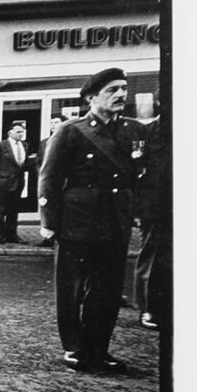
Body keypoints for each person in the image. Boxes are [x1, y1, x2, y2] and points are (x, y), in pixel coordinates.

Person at [39, 66, 140, 372]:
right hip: (78, 222)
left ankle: (99, 348)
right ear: (91, 97)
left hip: (115, 221)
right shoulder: (71, 130)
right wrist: (48, 222)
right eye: (112, 90)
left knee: (108, 291)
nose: (121, 94)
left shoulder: (133, 131)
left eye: (123, 88)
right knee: (72, 289)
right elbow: (49, 179)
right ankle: (75, 347)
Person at [134, 101, 169, 333]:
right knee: (153, 258)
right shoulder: (149, 131)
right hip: (157, 206)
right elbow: (137, 170)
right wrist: (138, 209)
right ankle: (149, 308)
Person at [0, 121, 31, 243]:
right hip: (2, 184)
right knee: (1, 211)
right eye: (18, 132)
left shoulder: (25, 146)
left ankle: (12, 235)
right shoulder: (1, 146)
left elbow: (24, 163)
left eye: (22, 132)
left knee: (13, 211)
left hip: (17, 183)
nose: (20, 135)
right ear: (10, 133)